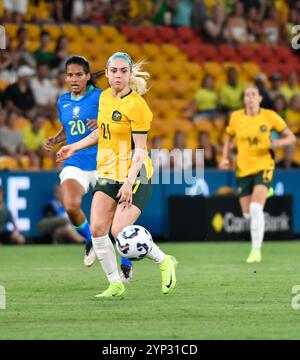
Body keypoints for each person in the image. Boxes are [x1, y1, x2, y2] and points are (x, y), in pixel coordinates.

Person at [56, 52, 177, 299]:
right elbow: (100, 133)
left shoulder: (138, 106)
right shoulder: (104, 100)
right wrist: (74, 146)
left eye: (123, 71)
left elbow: (141, 150)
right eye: (114, 71)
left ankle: (164, 261)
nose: (118, 75)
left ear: (130, 73)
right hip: (109, 171)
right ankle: (115, 284)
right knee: (98, 229)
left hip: (136, 173)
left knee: (120, 230)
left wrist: (129, 182)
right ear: (108, 74)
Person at [219, 86, 296, 263]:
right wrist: (224, 158)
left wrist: (277, 142)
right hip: (243, 168)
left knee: (255, 208)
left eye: (254, 95)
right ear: (244, 99)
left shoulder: (269, 116)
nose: (251, 98)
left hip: (264, 165)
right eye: (247, 95)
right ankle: (266, 192)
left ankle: (255, 251)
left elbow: (291, 137)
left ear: (260, 98)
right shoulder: (236, 117)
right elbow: (229, 138)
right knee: (247, 215)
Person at [44, 56, 102, 267]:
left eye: (79, 74)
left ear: (87, 76)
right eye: (70, 75)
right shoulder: (63, 101)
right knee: (70, 206)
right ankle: (90, 240)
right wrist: (56, 138)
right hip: (75, 161)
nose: (74, 79)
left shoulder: (100, 97)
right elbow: (70, 128)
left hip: (103, 163)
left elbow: (118, 123)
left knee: (113, 223)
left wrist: (103, 123)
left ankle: (126, 264)